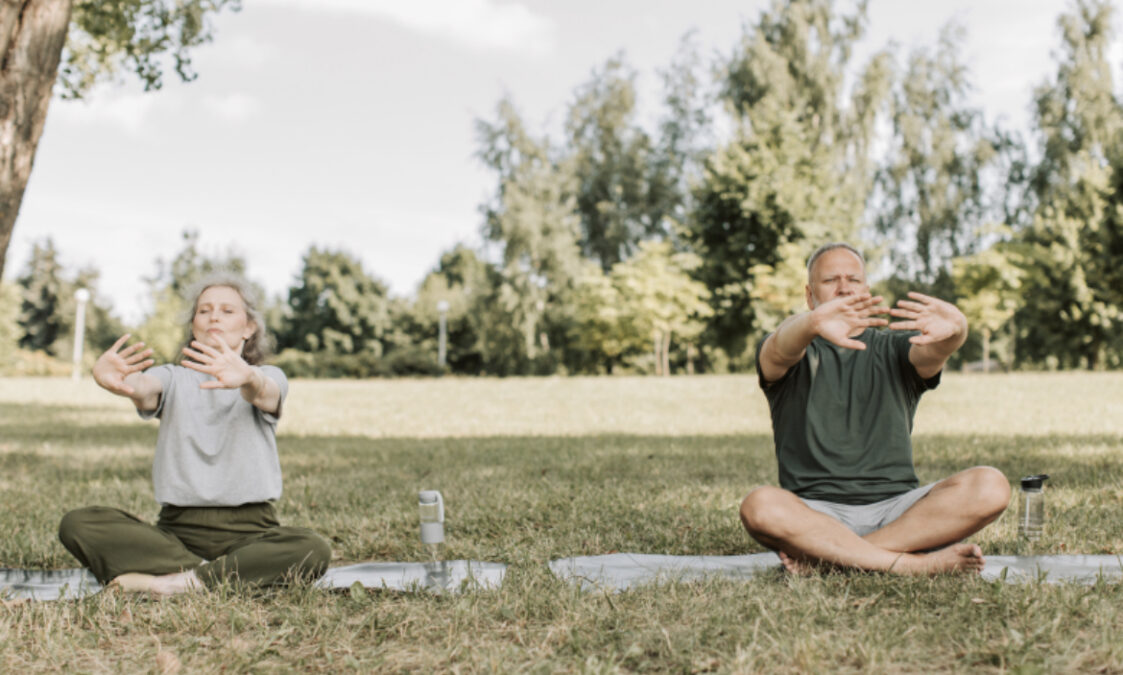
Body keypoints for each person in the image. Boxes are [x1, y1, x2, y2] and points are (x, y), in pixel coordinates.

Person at [739, 243, 1010, 576]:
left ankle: (831, 560)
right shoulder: (794, 350)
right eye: (830, 280)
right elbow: (779, 348)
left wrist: (958, 330)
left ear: (866, 288)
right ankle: (914, 565)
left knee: (991, 485)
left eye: (853, 278)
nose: (844, 287)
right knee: (759, 505)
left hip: (899, 511)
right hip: (815, 514)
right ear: (810, 297)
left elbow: (936, 351)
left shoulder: (896, 347)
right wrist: (812, 324)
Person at [58, 274, 331, 595]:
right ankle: (214, 577)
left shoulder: (266, 376)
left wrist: (247, 378)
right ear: (194, 325)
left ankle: (177, 582)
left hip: (253, 532)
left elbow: (265, 392)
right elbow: (145, 389)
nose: (214, 316)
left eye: (227, 310)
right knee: (78, 524)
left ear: (248, 328)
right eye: (204, 310)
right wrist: (119, 381)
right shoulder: (171, 377)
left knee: (313, 548)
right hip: (176, 534)